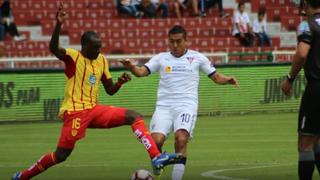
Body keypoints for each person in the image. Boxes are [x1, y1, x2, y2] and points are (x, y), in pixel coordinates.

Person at [11, 3, 182, 180]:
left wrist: (120, 83)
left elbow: (110, 90)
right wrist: (59, 24)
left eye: (100, 46)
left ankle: (156, 157)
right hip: (75, 113)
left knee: (134, 116)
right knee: (61, 155)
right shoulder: (73, 57)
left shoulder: (101, 60)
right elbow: (54, 48)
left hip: (93, 110)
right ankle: (23, 176)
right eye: (95, 47)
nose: (99, 50)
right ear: (84, 46)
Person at [121, 25, 239, 180]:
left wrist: (228, 80)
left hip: (186, 106)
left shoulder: (197, 58)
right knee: (155, 143)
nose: (175, 45)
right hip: (164, 107)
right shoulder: (161, 58)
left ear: (186, 41)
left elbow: (216, 77)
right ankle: (157, 168)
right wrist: (131, 67)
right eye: (171, 42)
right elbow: (141, 72)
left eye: (178, 41)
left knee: (181, 138)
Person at [281, 0, 320, 179]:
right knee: (318, 139)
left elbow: (302, 53)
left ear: (305, 5)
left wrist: (290, 79)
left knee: (305, 142)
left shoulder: (307, 25)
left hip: (316, 88)